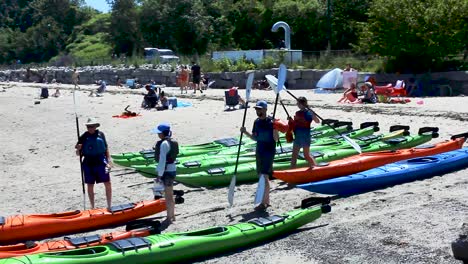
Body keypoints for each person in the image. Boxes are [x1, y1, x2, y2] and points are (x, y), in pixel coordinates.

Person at [240, 100, 279, 211]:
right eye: (257, 109)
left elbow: (276, 139)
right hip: (259, 151)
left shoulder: (271, 122)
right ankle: (267, 201)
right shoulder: (256, 122)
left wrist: (275, 129)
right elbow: (255, 138)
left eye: (260, 109)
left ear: (265, 109)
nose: (258, 111)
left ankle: (264, 202)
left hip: (269, 151)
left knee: (264, 176)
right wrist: (245, 132)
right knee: (261, 176)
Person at [75, 118, 112, 209]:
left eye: (91, 126)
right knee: (90, 184)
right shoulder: (83, 137)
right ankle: (92, 206)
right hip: (88, 162)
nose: (90, 128)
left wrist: (109, 161)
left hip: (101, 161)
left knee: (107, 183)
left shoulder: (101, 134)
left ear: (95, 126)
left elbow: (106, 148)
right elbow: (77, 153)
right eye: (88, 126)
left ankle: (109, 205)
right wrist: (78, 149)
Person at [153, 123, 179, 223]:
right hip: (172, 170)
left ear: (163, 133)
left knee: (168, 196)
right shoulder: (172, 142)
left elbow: (162, 160)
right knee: (170, 194)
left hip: (166, 172)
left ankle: (169, 217)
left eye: (159, 133)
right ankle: (172, 215)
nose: (158, 135)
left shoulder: (164, 144)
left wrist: (159, 175)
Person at [289, 97, 320, 168]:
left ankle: (315, 167)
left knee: (306, 155)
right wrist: (291, 120)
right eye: (297, 103)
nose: (297, 105)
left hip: (305, 136)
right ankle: (292, 170)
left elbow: (317, 121)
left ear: (303, 104)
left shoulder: (308, 113)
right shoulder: (297, 113)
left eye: (299, 103)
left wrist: (313, 115)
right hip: (298, 136)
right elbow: (295, 124)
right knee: (294, 155)